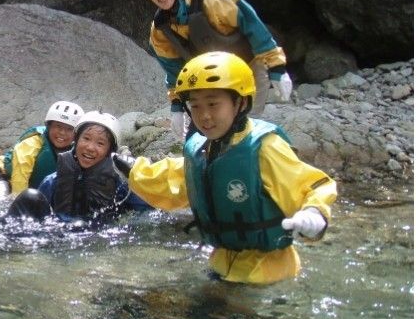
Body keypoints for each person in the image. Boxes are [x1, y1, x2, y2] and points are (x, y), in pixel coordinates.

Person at [113, 51, 337, 285]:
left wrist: (315, 213)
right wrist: (135, 172)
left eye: (213, 104)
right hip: (221, 263)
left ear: (240, 102)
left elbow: (311, 185)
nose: (204, 116)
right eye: (196, 106)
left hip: (267, 274)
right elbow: (179, 179)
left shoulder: (265, 147)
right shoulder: (202, 146)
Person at [132, 0, 293, 140]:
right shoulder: (159, 30)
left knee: (241, 131)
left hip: (248, 72)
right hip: (209, 83)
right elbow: (175, 71)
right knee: (204, 138)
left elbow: (252, 26)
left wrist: (276, 67)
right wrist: (177, 107)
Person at [5, 110, 151, 224]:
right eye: (86, 139)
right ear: (75, 141)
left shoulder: (121, 187)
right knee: (30, 197)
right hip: (57, 235)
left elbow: (147, 213)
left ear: (110, 151)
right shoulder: (53, 181)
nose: (90, 147)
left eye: (100, 143)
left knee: (80, 225)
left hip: (94, 238)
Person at [0, 100, 84, 198]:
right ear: (48, 126)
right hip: (5, 177)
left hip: (37, 185)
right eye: (58, 126)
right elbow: (20, 178)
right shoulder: (31, 144)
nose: (62, 133)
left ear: (76, 134)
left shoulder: (78, 149)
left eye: (69, 129)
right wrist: (19, 204)